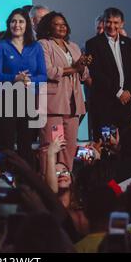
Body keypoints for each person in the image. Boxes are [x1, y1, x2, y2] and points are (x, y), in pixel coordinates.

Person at [0, 8, 46, 168]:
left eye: (21, 21)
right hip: (6, 101)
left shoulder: (35, 47)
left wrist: (28, 80)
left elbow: (43, 75)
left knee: (26, 145)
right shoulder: (1, 46)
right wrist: (14, 78)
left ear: (27, 24)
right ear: (9, 24)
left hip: (28, 100)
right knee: (7, 144)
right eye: (13, 21)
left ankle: (27, 183)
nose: (17, 25)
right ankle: (5, 180)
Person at [37, 11, 90, 170]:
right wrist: (74, 68)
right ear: (48, 27)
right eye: (57, 24)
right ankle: (49, 183)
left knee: (69, 146)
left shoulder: (73, 46)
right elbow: (48, 71)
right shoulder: (43, 44)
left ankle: (66, 181)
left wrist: (82, 67)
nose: (61, 27)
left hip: (73, 105)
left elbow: (84, 74)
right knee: (53, 146)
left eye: (64, 24)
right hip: (53, 106)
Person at [85, 7, 131, 140]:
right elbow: (96, 72)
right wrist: (118, 92)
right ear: (103, 23)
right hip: (104, 104)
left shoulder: (130, 43)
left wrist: (129, 91)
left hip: (126, 104)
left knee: (127, 143)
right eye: (108, 22)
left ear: (122, 24)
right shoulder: (93, 43)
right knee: (105, 145)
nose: (112, 26)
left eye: (116, 23)